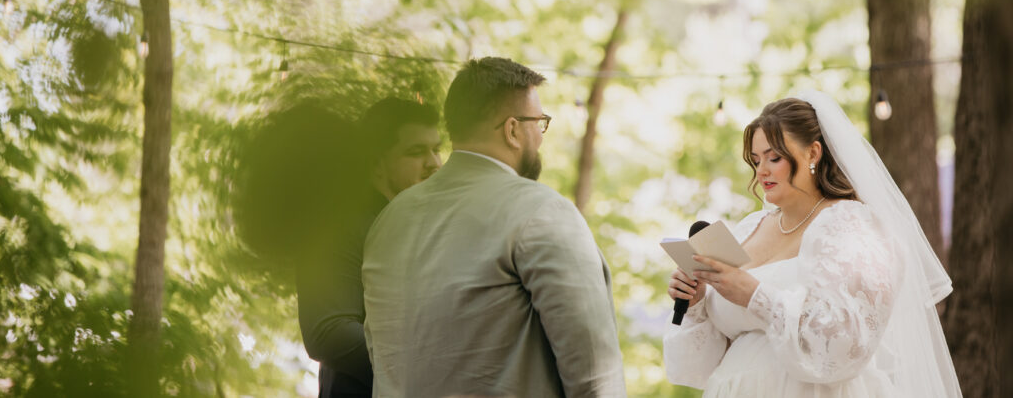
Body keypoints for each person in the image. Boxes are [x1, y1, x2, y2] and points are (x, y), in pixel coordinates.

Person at [663, 91, 962, 397]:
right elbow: (701, 366)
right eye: (756, 159)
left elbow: (846, 341)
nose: (761, 170)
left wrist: (754, 295)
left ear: (813, 153)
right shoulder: (748, 228)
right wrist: (698, 301)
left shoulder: (851, 225)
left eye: (774, 157)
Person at [362, 57, 627, 398]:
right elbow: (594, 374)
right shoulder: (541, 211)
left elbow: (380, 353)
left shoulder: (389, 220)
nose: (541, 137)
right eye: (539, 123)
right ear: (513, 130)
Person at [296, 97, 442, 398]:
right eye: (416, 152)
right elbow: (327, 332)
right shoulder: (334, 227)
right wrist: (428, 368)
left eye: (436, 150)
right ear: (376, 163)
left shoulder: (423, 228)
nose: (434, 163)